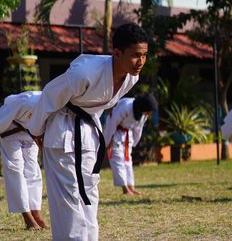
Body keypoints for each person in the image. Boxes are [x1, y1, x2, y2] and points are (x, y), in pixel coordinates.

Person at [27, 23, 148, 240]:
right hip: (62, 130)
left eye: (144, 55)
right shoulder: (85, 71)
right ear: (117, 53)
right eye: (135, 56)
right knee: (69, 198)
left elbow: (97, 107)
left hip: (89, 134)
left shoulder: (132, 78)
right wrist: (36, 130)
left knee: (90, 192)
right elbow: (49, 96)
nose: (141, 62)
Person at [0, 91, 48, 230]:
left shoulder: (58, 105)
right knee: (15, 169)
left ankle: (36, 214)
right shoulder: (28, 101)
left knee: (33, 171)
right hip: (9, 127)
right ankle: (27, 217)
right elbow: (6, 109)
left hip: (30, 133)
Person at [103, 93, 158, 195]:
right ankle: (125, 189)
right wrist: (108, 140)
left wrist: (134, 142)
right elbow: (112, 121)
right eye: (149, 111)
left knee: (128, 161)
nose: (149, 114)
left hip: (128, 135)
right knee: (118, 160)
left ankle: (131, 187)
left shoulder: (142, 114)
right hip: (116, 133)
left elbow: (138, 129)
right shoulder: (126, 106)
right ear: (144, 107)